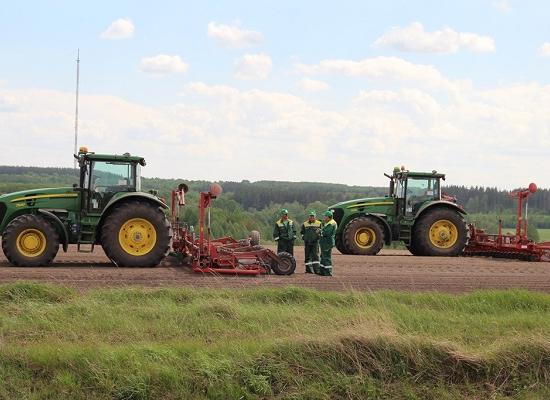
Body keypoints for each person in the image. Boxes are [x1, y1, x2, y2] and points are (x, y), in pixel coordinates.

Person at [319, 210, 337, 276]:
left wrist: (320, 232)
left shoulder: (331, 224)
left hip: (327, 242)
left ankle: (328, 272)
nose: (324, 218)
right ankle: (322, 271)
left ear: (328, 217)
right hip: (325, 242)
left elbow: (326, 233)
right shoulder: (328, 223)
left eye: (325, 216)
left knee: (326, 257)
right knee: (323, 256)